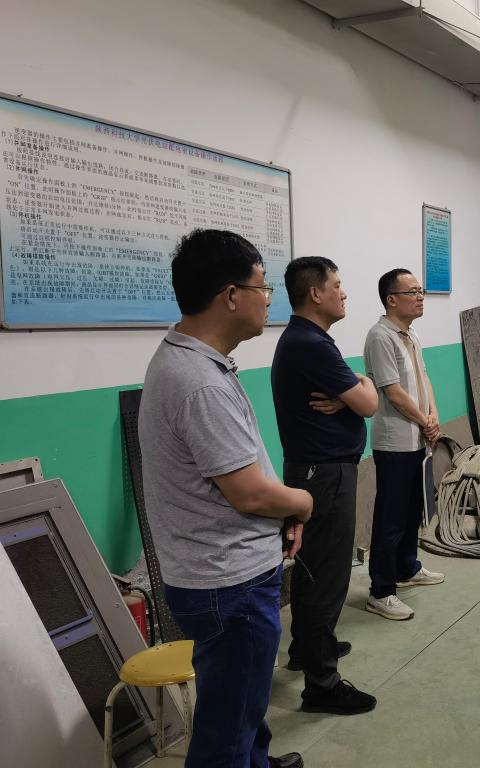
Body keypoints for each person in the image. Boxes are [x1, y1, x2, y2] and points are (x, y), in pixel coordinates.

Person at [138, 229, 311, 768]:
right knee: (226, 731)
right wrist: (301, 502)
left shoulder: (191, 361)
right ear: (231, 296)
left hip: (220, 572)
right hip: (228, 582)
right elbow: (249, 493)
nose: (268, 300)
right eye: (263, 287)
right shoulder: (200, 383)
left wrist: (281, 511)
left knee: (242, 704)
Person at [270, 256, 378, 715]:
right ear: (315, 293)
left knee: (314, 570)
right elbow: (369, 403)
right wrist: (359, 389)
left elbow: (360, 394)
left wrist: (355, 390)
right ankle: (322, 684)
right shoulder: (311, 345)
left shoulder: (305, 341)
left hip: (318, 471)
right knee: (327, 577)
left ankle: (306, 648)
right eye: (336, 284)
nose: (343, 292)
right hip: (324, 475)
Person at [362, 269, 445, 620]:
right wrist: (425, 420)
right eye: (413, 292)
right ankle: (381, 591)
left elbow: (423, 377)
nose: (420, 297)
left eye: (420, 290)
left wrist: (434, 415)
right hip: (395, 442)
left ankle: (407, 567)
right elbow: (393, 392)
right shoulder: (380, 337)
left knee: (413, 510)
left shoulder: (410, 335)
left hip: (418, 438)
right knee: (391, 517)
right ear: (391, 299)